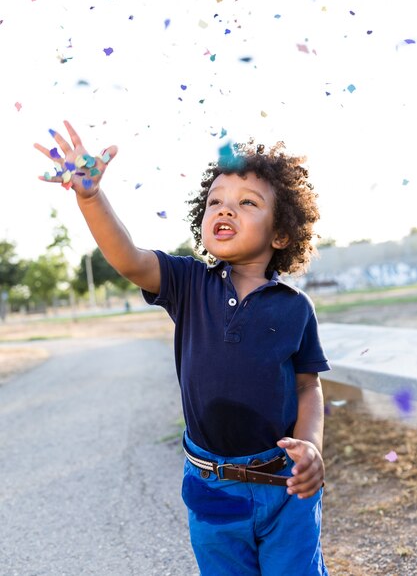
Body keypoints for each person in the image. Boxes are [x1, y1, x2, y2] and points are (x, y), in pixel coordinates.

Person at [36, 121, 330, 576]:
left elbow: (308, 387)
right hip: (212, 487)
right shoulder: (188, 283)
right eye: (215, 201)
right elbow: (129, 258)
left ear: (282, 234)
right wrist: (90, 198)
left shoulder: (296, 309)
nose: (225, 210)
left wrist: (311, 447)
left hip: (286, 484)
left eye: (247, 203)